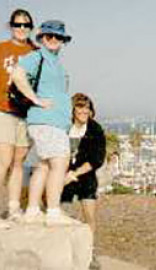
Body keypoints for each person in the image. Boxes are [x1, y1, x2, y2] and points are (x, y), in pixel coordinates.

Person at [12, 20, 73, 225]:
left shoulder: (56, 63)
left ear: (63, 40)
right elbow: (17, 75)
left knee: (44, 165)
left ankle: (32, 210)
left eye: (58, 37)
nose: (54, 40)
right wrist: (35, 99)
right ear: (41, 38)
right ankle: (53, 212)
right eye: (49, 36)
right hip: (45, 120)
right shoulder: (36, 56)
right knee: (60, 162)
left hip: (55, 121)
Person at [61, 93, 106, 270]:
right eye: (80, 107)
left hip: (85, 175)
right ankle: (65, 252)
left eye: (87, 107)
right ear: (72, 109)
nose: (84, 111)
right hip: (63, 175)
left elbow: (97, 158)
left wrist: (74, 174)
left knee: (89, 216)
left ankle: (89, 253)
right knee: (63, 213)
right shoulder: (64, 128)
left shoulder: (95, 129)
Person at [0, 9, 37, 222]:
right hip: (4, 110)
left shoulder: (36, 51)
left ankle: (13, 207)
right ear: (11, 26)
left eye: (25, 25)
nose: (21, 28)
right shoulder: (2, 49)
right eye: (17, 24)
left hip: (27, 113)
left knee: (18, 162)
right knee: (3, 161)